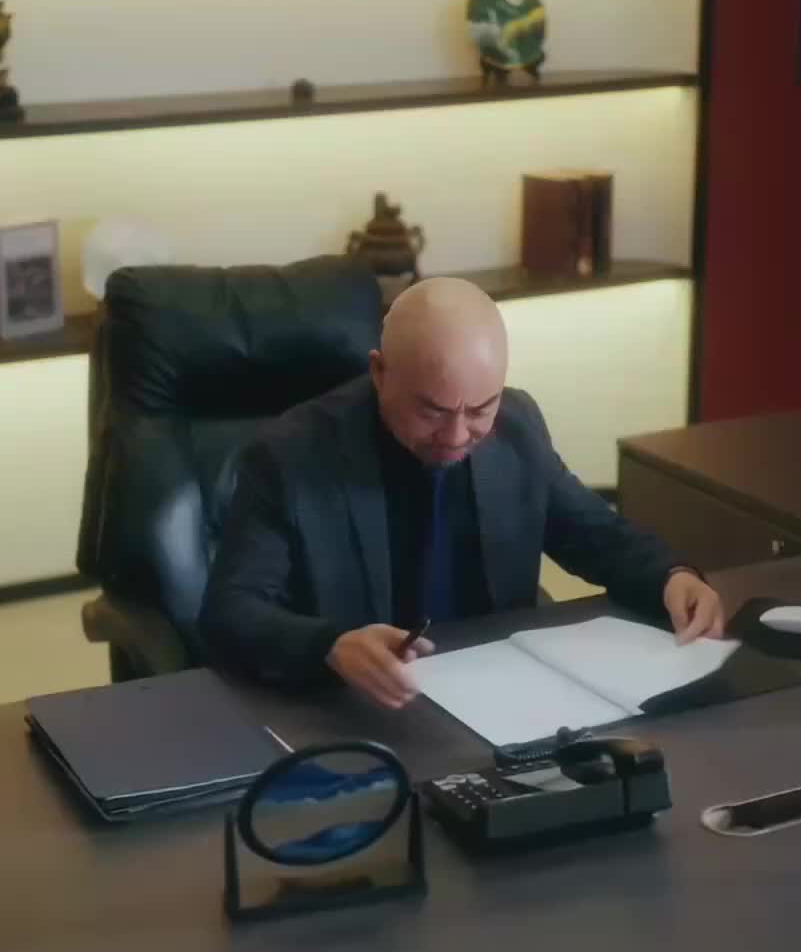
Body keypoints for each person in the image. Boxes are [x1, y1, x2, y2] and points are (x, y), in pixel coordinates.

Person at [200, 277, 724, 710]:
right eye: (431, 410)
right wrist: (328, 647)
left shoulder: (517, 424)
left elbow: (593, 533)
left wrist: (670, 576)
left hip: (497, 698)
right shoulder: (291, 455)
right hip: (365, 709)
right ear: (380, 372)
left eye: (479, 410)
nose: (455, 436)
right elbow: (230, 612)